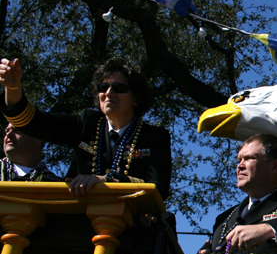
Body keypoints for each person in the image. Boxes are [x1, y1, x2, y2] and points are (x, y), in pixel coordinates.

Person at [0, 57, 171, 199]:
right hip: (83, 226)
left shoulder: (155, 137)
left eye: (119, 88)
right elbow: (35, 123)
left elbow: (158, 189)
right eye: (104, 87)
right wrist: (13, 88)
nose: (109, 93)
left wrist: (107, 180)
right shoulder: (86, 123)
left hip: (133, 228)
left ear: (136, 98)